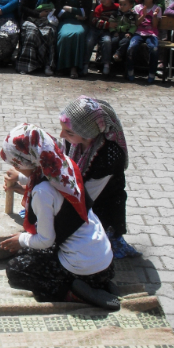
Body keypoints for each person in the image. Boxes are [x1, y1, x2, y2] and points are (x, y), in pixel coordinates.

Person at [0, 123, 118, 310]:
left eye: (16, 163)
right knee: (32, 248)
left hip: (82, 267)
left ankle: (73, 293)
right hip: (104, 262)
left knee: (17, 268)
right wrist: (20, 177)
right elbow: (43, 176)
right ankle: (100, 283)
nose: (15, 167)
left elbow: (46, 240)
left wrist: (21, 239)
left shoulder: (41, 193)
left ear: (27, 161)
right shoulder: (64, 165)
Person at [58, 96, 139, 259]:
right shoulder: (73, 142)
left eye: (68, 132)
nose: (61, 134)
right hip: (81, 198)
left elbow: (85, 198)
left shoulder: (108, 155)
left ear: (87, 134)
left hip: (100, 207)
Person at [16, 0, 57, 76]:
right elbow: (23, 7)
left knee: (50, 32)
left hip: (47, 20)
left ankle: (48, 65)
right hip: (30, 18)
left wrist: (48, 12)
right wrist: (38, 14)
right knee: (31, 31)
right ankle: (26, 65)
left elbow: (56, 5)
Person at [55, 0, 93, 79]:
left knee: (78, 34)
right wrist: (77, 13)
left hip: (81, 23)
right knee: (64, 35)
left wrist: (69, 8)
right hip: (65, 21)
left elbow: (86, 12)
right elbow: (59, 10)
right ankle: (62, 66)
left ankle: (74, 67)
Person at [128, 0, 162, 83]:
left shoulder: (157, 8)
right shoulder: (137, 7)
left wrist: (155, 16)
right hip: (139, 32)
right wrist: (143, 15)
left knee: (154, 48)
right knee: (131, 47)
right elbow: (137, 23)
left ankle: (151, 73)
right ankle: (130, 71)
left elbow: (155, 26)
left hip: (151, 33)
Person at [89, 0, 120, 75]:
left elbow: (124, 11)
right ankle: (85, 63)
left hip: (106, 32)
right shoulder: (99, 8)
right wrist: (108, 24)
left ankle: (106, 64)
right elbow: (95, 21)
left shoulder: (117, 7)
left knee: (107, 41)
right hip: (96, 30)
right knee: (89, 42)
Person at [110, 0, 138, 64]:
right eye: (120, 4)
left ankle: (118, 55)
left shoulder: (131, 15)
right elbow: (111, 23)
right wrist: (113, 31)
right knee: (114, 41)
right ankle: (114, 58)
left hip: (126, 32)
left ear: (130, 5)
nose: (121, 6)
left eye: (124, 4)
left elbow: (133, 26)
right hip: (116, 32)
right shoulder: (115, 13)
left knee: (125, 42)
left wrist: (130, 33)